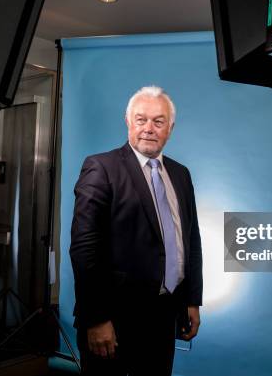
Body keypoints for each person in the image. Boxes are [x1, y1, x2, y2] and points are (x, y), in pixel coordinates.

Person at [70, 85, 203, 376]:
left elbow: (190, 240)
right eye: (141, 119)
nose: (149, 128)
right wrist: (97, 318)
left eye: (158, 121)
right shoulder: (101, 168)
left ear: (171, 127)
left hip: (164, 314)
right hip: (113, 318)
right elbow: (84, 249)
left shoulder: (180, 174)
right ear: (128, 121)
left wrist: (192, 299)